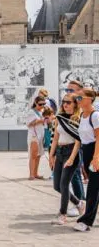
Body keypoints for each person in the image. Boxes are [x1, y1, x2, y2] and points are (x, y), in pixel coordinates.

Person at [49, 93, 83, 224]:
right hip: (60, 152)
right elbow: (55, 138)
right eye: (64, 102)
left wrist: (72, 158)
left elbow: (77, 141)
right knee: (57, 186)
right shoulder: (59, 117)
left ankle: (63, 214)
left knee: (64, 184)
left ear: (75, 103)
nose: (65, 104)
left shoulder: (77, 118)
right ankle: (79, 203)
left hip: (71, 152)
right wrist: (51, 156)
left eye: (68, 102)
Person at [74, 88, 99, 233]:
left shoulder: (95, 116)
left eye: (80, 97)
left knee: (92, 190)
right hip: (87, 151)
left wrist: (96, 157)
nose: (78, 100)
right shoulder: (82, 115)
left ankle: (86, 221)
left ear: (90, 98)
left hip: (96, 151)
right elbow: (81, 140)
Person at [26, 95, 47, 180]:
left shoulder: (42, 112)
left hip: (40, 136)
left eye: (43, 104)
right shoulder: (31, 112)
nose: (42, 106)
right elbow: (29, 124)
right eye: (40, 104)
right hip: (33, 136)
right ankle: (31, 174)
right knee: (33, 155)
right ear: (35, 103)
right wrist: (41, 120)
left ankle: (35, 173)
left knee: (38, 155)